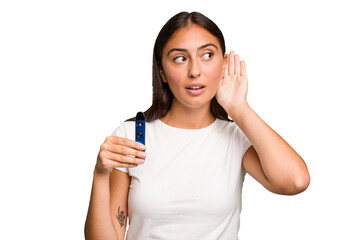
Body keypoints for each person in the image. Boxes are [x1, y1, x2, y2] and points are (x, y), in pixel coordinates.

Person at [84, 11, 310, 240]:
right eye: (180, 58)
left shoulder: (236, 137)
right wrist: (100, 174)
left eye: (207, 55)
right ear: (161, 70)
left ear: (224, 63)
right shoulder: (133, 136)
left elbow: (295, 181)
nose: (194, 71)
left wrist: (238, 107)